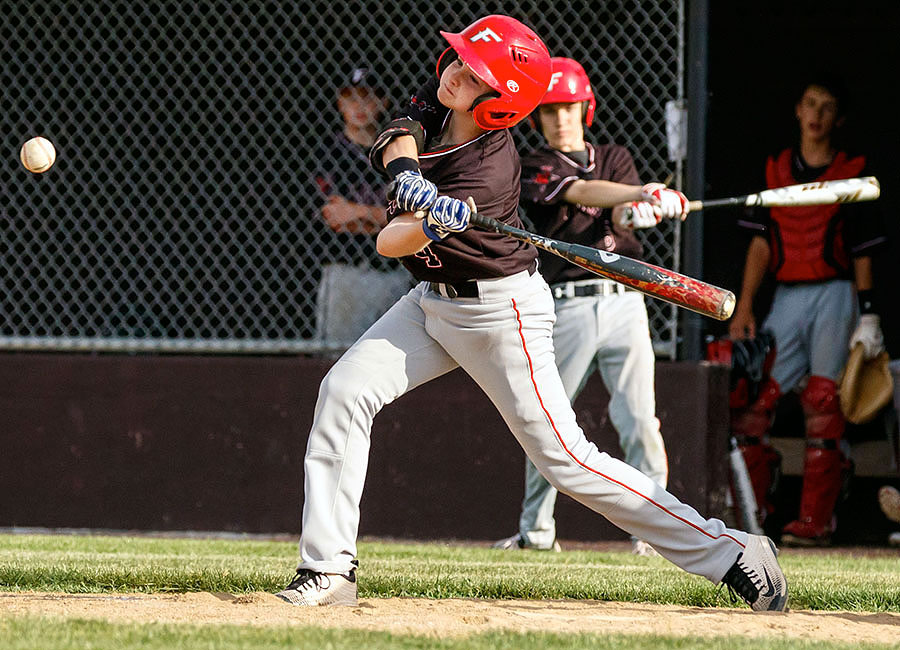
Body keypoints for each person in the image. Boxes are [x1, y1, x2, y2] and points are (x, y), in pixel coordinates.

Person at [274, 14, 787, 612]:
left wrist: (428, 220)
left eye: (475, 73)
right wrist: (410, 179)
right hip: (431, 304)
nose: (456, 72)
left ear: (498, 104)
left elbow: (391, 242)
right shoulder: (441, 99)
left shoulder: (486, 172)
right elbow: (397, 135)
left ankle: (732, 551)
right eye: (461, 59)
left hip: (501, 312)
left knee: (569, 462)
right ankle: (330, 568)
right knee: (344, 390)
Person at [492, 57, 688, 557]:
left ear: (587, 109)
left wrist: (646, 209)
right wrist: (641, 192)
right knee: (549, 422)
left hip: (624, 301)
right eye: (552, 111)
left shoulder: (615, 156)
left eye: (570, 109)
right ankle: (535, 534)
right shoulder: (536, 165)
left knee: (640, 419)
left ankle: (656, 535)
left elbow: (620, 210)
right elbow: (583, 192)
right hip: (568, 304)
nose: (561, 119)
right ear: (538, 118)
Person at [729, 76, 887, 546]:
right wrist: (745, 305)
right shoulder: (776, 168)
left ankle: (816, 522)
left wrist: (869, 314)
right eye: (810, 104)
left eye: (827, 107)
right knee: (756, 401)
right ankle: (753, 513)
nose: (817, 114)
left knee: (823, 402)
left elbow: (862, 249)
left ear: (838, 119)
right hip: (787, 294)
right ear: (798, 109)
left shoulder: (852, 170)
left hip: (835, 292)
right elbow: (760, 242)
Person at [313, 67, 412, 344]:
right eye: (351, 98)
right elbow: (334, 217)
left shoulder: (396, 151)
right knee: (337, 355)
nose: (359, 107)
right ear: (340, 103)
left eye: (368, 98)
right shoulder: (327, 152)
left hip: (394, 270)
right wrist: (385, 217)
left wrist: (357, 212)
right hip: (346, 270)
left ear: (383, 103)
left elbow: (410, 217)